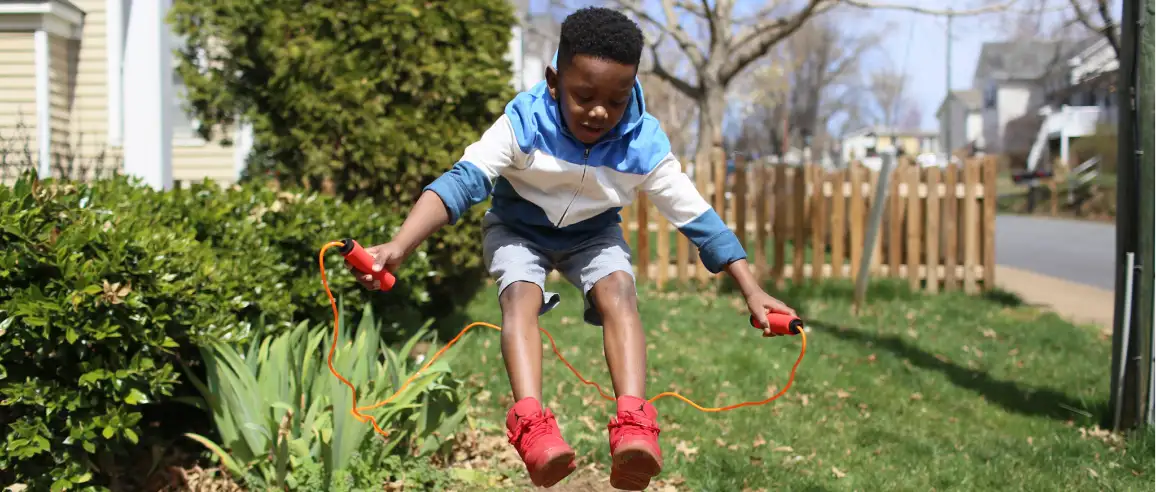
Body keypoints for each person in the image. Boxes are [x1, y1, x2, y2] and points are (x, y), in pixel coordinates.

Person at [349, 7, 796, 490]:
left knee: (620, 291)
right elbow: (462, 182)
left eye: (616, 100)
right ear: (555, 81)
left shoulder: (642, 142)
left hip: (593, 234)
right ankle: (531, 424)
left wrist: (750, 288)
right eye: (584, 96)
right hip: (519, 228)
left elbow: (697, 217)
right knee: (521, 294)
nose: (600, 112)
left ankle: (634, 426)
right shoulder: (523, 122)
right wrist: (400, 243)